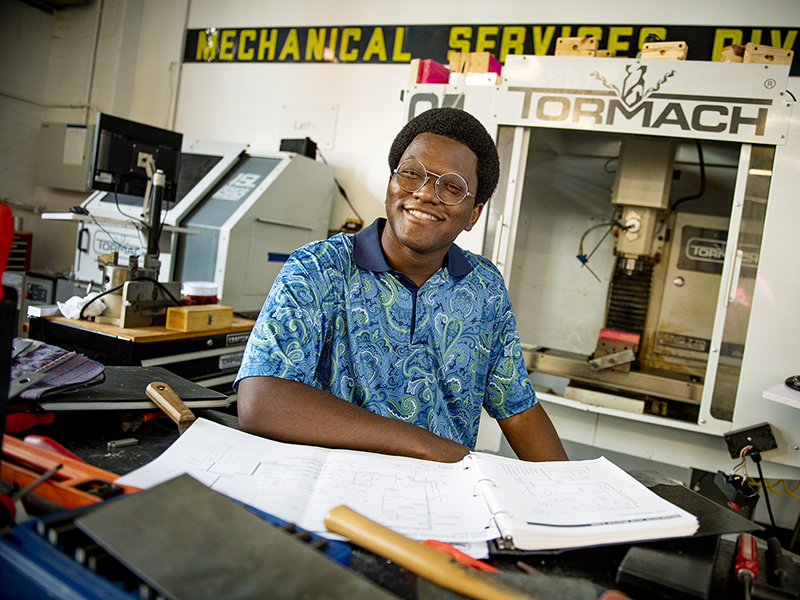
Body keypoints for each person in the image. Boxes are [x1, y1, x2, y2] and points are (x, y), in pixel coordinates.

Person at [235, 107, 567, 463]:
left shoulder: (484, 287)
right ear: (391, 182)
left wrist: (568, 497)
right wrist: (424, 444)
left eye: (452, 187)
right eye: (412, 174)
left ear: (474, 213)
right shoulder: (318, 268)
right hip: (331, 495)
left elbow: (518, 408)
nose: (425, 194)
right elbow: (262, 400)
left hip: (443, 497)